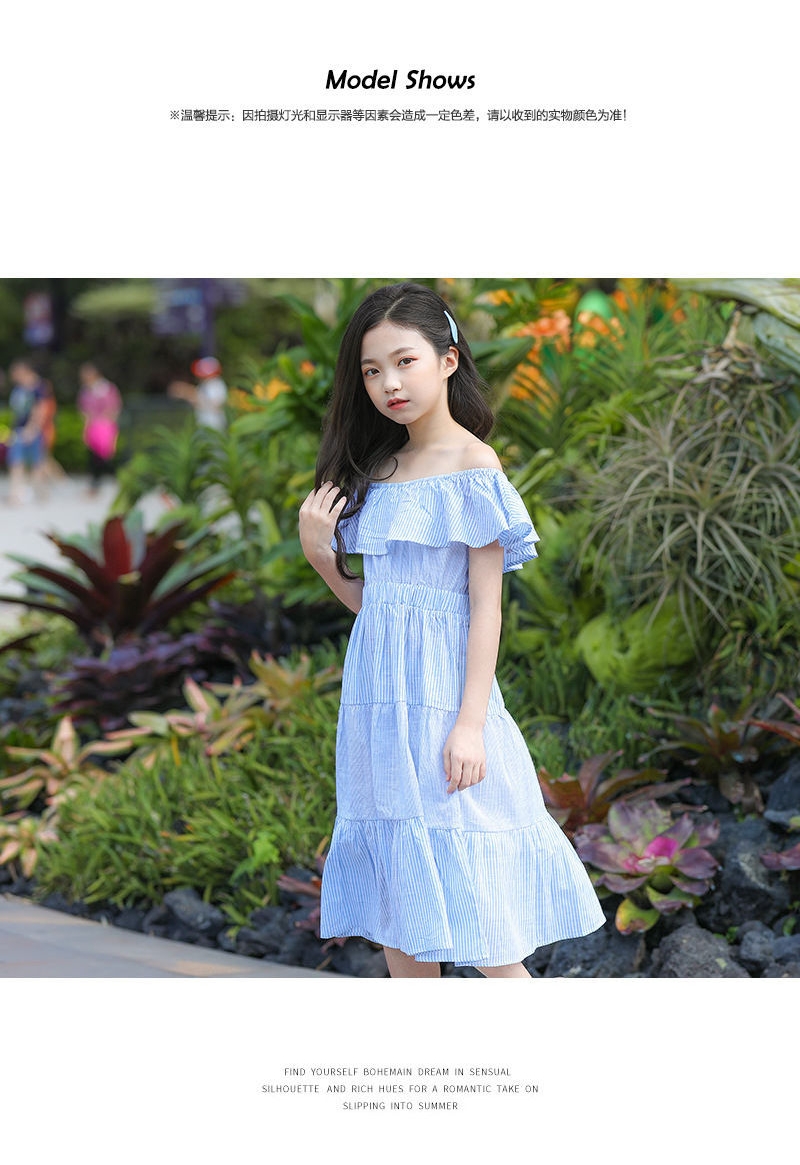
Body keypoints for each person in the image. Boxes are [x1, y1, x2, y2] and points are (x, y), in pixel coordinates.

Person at [299, 283, 605, 979]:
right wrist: (323, 560)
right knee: (400, 919)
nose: (389, 383)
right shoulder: (375, 471)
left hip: (447, 708)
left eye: (404, 361)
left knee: (485, 927)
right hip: (379, 715)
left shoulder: (474, 466)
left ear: (447, 359)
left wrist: (469, 726)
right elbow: (380, 611)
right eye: (372, 370)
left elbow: (485, 610)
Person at [6, 357, 48, 504]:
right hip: (19, 430)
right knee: (16, 461)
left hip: (33, 430)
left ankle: (39, 492)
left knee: (37, 462)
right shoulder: (18, 389)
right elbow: (16, 413)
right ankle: (16, 493)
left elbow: (41, 409)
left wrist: (32, 429)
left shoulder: (38, 388)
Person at [77, 363, 123, 494]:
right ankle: (95, 484)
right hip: (92, 426)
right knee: (94, 456)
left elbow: (114, 408)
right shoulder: (86, 390)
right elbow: (84, 410)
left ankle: (117, 479)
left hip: (105, 426)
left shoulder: (107, 388)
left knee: (105, 456)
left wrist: (107, 423)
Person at [167, 356, 227, 431]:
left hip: (214, 425)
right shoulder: (205, 385)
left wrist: (188, 393)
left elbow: (216, 405)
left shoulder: (214, 384)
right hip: (204, 424)